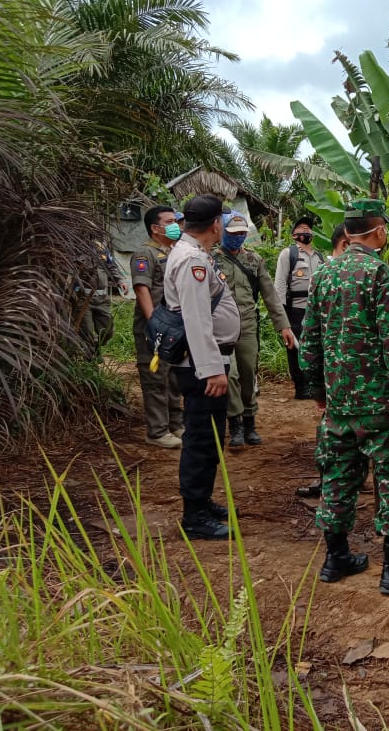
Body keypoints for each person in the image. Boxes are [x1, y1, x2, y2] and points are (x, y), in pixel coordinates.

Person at [299, 198, 389, 595]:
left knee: (338, 478)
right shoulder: (378, 273)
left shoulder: (324, 274)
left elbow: (310, 343)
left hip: (339, 403)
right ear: (378, 232)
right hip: (381, 405)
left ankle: (335, 558)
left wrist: (320, 393)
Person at [164, 194, 241, 540]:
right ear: (215, 224)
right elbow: (196, 319)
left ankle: (202, 500)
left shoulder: (195, 255)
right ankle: (194, 515)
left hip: (204, 361)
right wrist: (211, 369)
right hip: (200, 365)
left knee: (210, 436)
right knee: (200, 438)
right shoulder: (192, 260)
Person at [214, 213, 295, 448]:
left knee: (248, 373)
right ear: (223, 232)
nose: (238, 237)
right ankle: (235, 424)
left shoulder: (253, 260)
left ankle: (250, 422)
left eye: (242, 233)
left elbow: (270, 295)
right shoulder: (211, 259)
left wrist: (284, 326)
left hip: (248, 325)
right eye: (233, 233)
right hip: (221, 327)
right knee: (231, 375)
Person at [295, 221, 351, 499]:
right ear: (345, 243)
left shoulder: (324, 274)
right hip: (340, 379)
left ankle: (335, 481)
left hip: (339, 379)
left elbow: (310, 341)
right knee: (333, 433)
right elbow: (312, 338)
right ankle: (329, 481)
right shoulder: (326, 276)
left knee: (338, 434)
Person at [130, 205, 184, 448]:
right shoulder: (145, 254)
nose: (176, 225)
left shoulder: (174, 252)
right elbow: (142, 288)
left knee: (173, 377)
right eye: (170, 221)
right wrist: (153, 323)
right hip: (154, 326)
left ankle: (176, 425)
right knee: (155, 379)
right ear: (155, 228)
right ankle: (157, 431)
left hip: (173, 325)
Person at [275, 214, 326, 399]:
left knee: (315, 346)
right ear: (293, 234)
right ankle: (300, 387)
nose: (306, 231)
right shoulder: (289, 254)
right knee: (295, 348)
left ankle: (314, 384)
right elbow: (279, 285)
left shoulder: (319, 256)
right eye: (301, 228)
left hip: (316, 309)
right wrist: (282, 318)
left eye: (308, 228)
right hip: (295, 309)